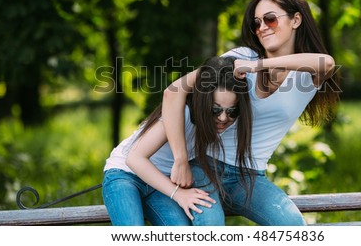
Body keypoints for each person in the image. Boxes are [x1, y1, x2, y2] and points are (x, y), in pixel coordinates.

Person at [162, 0, 340, 225]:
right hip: (205, 166)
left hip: (249, 177)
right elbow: (174, 91)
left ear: (296, 20)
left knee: (294, 227)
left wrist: (258, 66)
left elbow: (327, 62)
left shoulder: (305, 76)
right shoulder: (239, 57)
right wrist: (181, 160)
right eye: (256, 23)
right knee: (211, 230)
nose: (262, 27)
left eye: (270, 19)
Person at [102, 56, 253, 225]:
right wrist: (178, 193)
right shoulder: (183, 115)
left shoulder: (228, 123)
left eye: (232, 111)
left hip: (160, 183)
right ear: (203, 101)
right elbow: (134, 158)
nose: (223, 118)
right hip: (126, 175)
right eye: (215, 109)